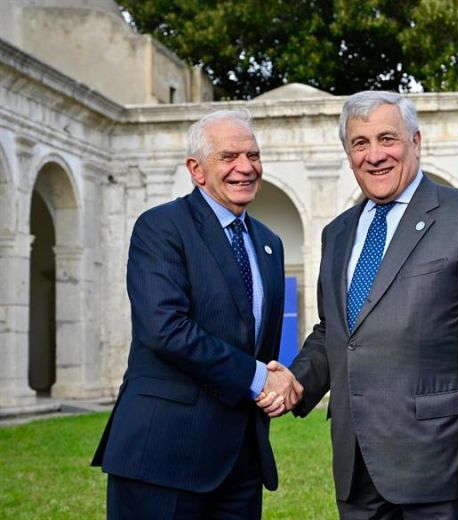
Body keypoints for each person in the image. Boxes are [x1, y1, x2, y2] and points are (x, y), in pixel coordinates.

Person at [263, 91, 458, 519]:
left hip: (444, 468)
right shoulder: (338, 233)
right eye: (360, 143)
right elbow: (337, 332)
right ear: (348, 153)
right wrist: (295, 381)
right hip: (357, 468)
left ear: (415, 143)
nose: (374, 155)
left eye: (387, 138)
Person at [92, 109, 302, 519]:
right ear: (197, 169)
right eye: (229, 157)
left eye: (253, 155)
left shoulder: (269, 243)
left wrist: (279, 381)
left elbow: (258, 340)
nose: (246, 168)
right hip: (164, 454)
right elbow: (165, 329)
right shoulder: (161, 228)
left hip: (241, 461)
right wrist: (260, 378)